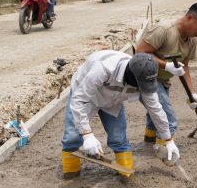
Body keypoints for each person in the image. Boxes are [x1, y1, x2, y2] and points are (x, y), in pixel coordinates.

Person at [61, 51, 178, 179]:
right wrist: (87, 135)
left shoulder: (144, 76)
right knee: (72, 136)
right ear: (131, 76)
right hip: (87, 97)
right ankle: (71, 175)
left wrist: (168, 139)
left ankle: (126, 173)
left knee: (118, 137)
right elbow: (79, 100)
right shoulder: (102, 68)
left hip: (113, 101)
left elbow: (156, 110)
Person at [136, 2, 197, 144]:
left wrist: (192, 94)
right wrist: (166, 66)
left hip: (163, 81)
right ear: (190, 18)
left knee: (156, 114)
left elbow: (184, 67)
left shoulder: (191, 41)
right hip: (147, 78)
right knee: (167, 118)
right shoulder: (164, 30)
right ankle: (165, 152)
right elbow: (140, 53)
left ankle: (149, 142)